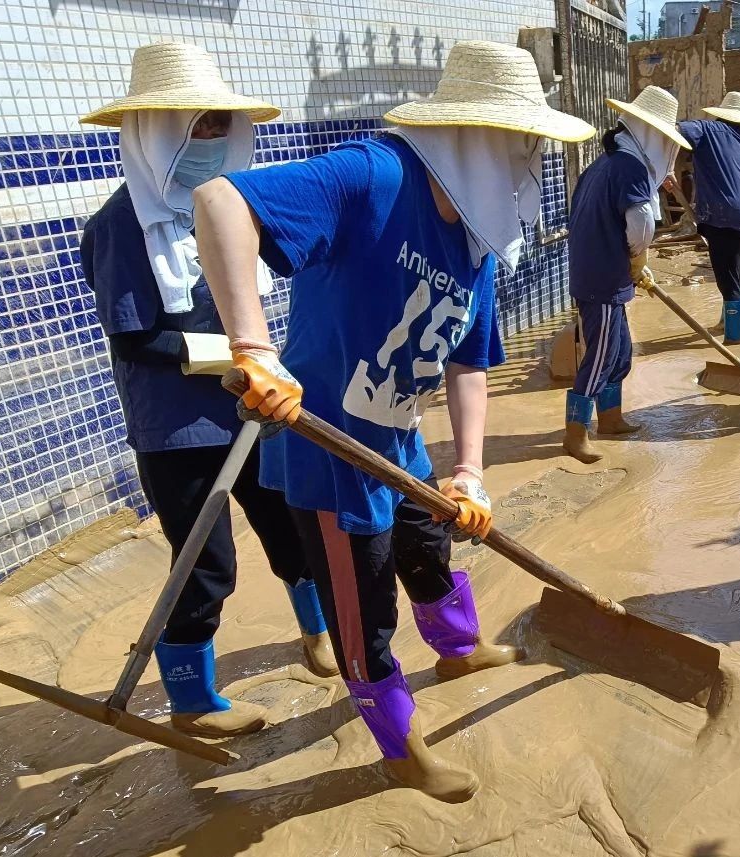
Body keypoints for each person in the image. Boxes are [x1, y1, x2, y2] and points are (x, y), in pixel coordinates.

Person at [192, 41, 594, 801]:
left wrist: (470, 472)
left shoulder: (477, 228)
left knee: (429, 548)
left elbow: (468, 362)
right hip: (329, 452)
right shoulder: (375, 176)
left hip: (399, 439)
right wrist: (255, 348)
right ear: (474, 135)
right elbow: (219, 201)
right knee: (364, 608)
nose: (530, 159)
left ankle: (458, 649)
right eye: (521, 141)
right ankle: (400, 748)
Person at [79, 41, 339, 740]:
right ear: (156, 132)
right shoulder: (121, 226)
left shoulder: (229, 208)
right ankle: (192, 700)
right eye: (199, 126)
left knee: (291, 525)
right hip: (179, 430)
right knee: (205, 561)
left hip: (254, 411)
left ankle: (317, 634)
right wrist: (231, 355)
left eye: (222, 125)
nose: (213, 139)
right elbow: (135, 339)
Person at [562, 86, 689, 464]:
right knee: (601, 354)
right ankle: (575, 433)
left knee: (620, 351)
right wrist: (637, 258)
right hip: (602, 276)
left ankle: (611, 417)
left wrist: (634, 266)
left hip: (602, 271)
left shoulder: (604, 164)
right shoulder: (630, 167)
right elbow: (640, 226)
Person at [675, 92, 740, 345]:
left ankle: (736, 341)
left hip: (725, 214)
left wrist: (667, 165)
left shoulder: (706, 129)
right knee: (738, 277)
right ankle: (729, 321)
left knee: (728, 281)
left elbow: (675, 130)